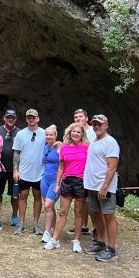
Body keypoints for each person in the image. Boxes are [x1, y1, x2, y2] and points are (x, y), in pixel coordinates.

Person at [44, 123, 90, 252]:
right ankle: (55, 240)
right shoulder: (64, 148)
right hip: (67, 181)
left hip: (81, 181)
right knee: (62, 211)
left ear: (82, 134)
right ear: (69, 133)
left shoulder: (87, 147)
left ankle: (76, 241)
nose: (75, 134)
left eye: (78, 132)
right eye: (73, 132)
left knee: (78, 212)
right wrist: (57, 183)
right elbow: (61, 167)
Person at [83, 114, 120, 262]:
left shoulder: (110, 142)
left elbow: (112, 167)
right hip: (92, 185)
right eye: (95, 124)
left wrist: (104, 187)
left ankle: (111, 249)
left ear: (106, 125)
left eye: (99, 124)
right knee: (95, 213)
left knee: (108, 216)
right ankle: (100, 242)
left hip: (104, 187)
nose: (97, 126)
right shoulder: (94, 141)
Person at [12, 108, 46, 235]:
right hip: (24, 171)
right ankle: (21, 223)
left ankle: (36, 224)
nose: (31, 119)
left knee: (37, 197)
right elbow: (16, 152)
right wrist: (15, 170)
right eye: (29, 117)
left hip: (39, 171)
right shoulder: (21, 134)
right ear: (26, 119)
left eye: (33, 117)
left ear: (38, 118)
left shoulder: (44, 133)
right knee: (23, 196)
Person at [69, 108, 96, 236]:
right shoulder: (76, 132)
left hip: (92, 170)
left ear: (86, 118)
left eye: (80, 117)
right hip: (80, 171)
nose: (78, 119)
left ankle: (96, 228)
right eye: (76, 117)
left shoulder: (93, 131)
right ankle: (84, 226)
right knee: (82, 200)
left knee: (92, 201)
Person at [0, 109, 20, 226]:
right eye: (8, 117)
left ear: (15, 119)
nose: (10, 119)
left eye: (13, 118)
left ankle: (15, 215)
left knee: (15, 194)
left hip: (14, 169)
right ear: (4, 118)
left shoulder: (20, 133)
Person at [39, 125, 60, 243]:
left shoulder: (59, 147)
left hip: (55, 180)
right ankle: (53, 228)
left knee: (47, 205)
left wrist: (59, 182)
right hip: (45, 179)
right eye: (47, 134)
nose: (49, 136)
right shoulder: (46, 147)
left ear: (55, 135)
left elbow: (63, 165)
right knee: (49, 206)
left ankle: (46, 233)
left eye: (51, 134)